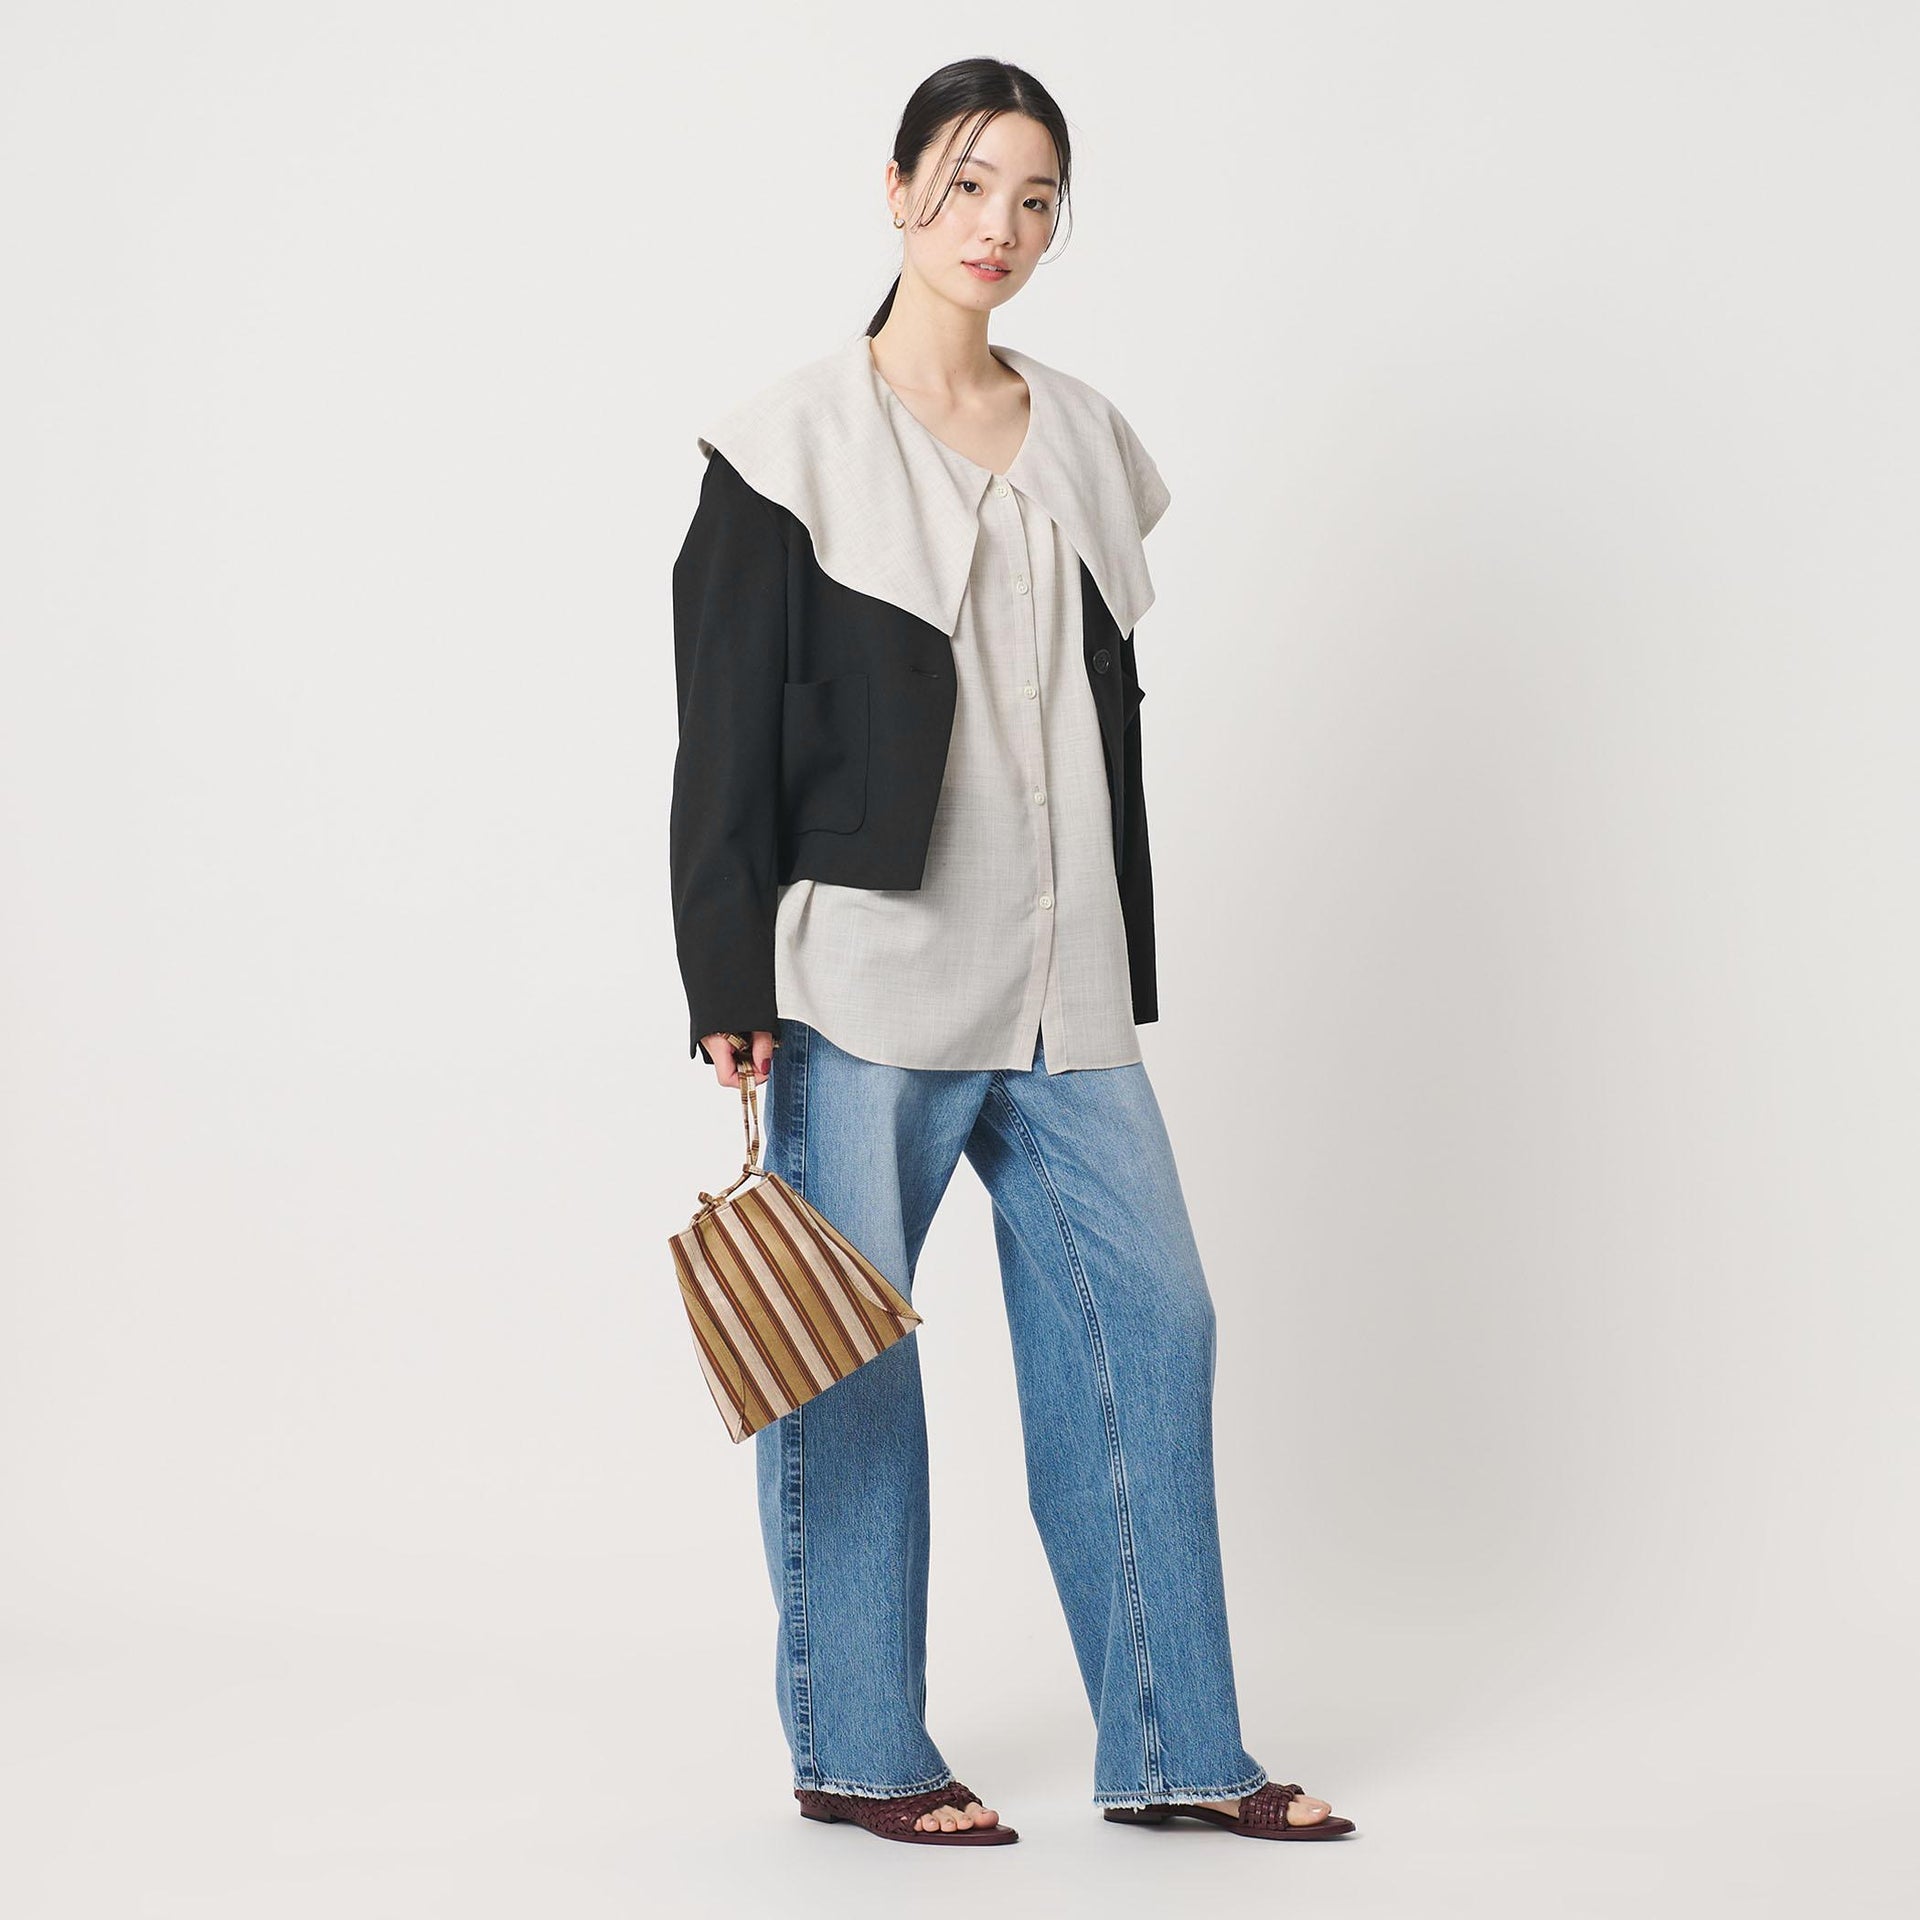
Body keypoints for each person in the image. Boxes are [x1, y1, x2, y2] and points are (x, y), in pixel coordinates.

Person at [669, 57, 1356, 1848]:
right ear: (899, 186)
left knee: (1153, 1323)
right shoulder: (788, 445)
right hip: (863, 982)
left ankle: (1179, 1748)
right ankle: (859, 1752)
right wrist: (727, 983)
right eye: (972, 183)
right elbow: (720, 737)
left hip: (1065, 980)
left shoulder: (1086, 441)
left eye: (1036, 198)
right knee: (846, 1364)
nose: (1001, 226)